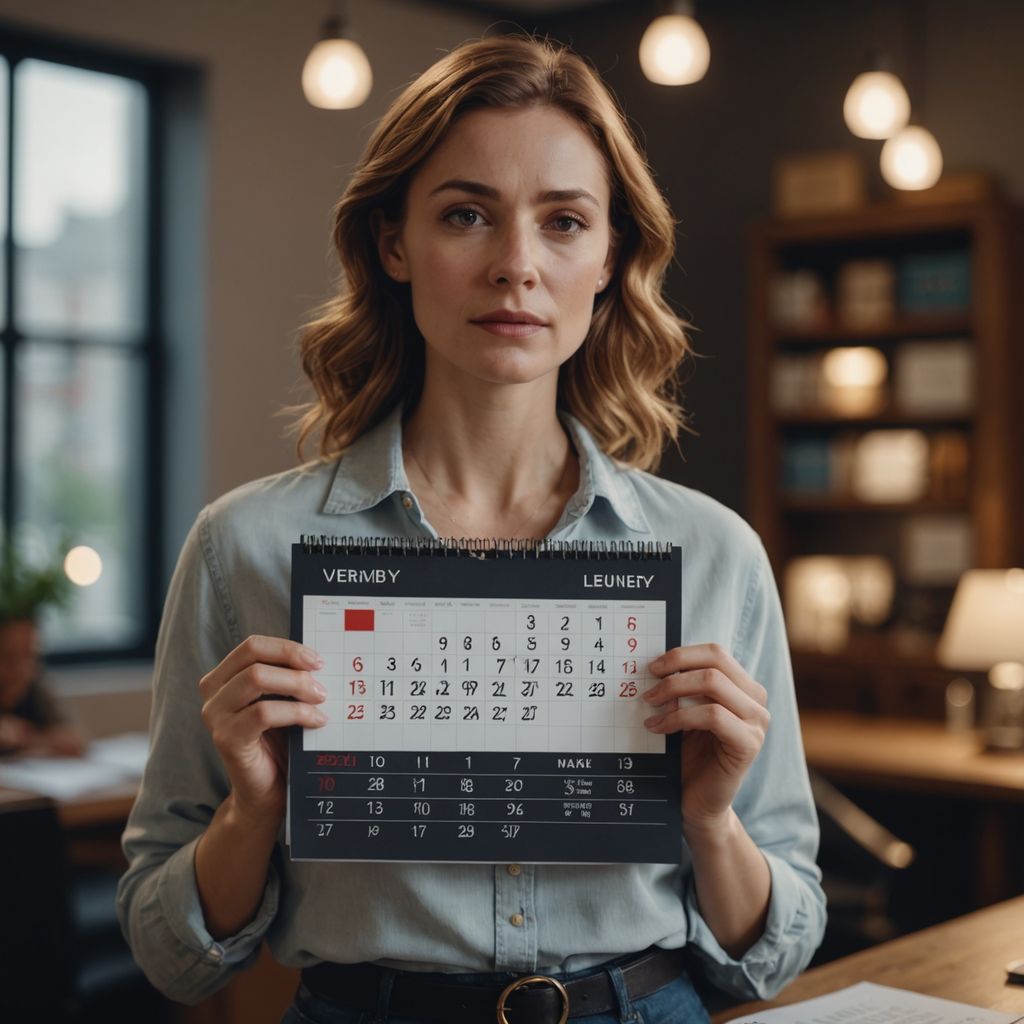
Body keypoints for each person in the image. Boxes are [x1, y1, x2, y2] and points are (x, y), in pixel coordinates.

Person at [117, 34, 826, 1024]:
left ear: (610, 255)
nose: (516, 267)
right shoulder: (245, 547)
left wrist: (707, 819)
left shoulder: (715, 553)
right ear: (393, 244)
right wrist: (254, 807)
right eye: (465, 215)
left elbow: (774, 956)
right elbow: (169, 956)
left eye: (565, 221)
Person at [0, 616, 85, 757]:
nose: (22, 668)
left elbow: (74, 740)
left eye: (30, 655)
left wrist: (29, 738)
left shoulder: (36, 687)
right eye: (9, 657)